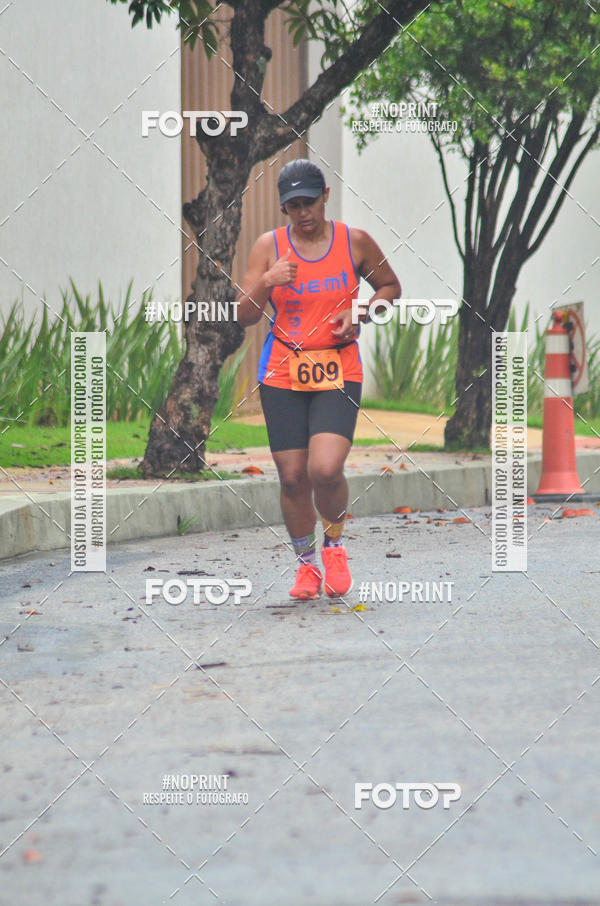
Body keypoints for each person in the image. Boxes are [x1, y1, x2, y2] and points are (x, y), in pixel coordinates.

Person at [236, 159, 400, 599]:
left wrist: (362, 310)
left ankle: (334, 545)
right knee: (292, 478)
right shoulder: (268, 247)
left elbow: (389, 288)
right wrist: (267, 281)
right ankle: (306, 563)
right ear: (284, 208)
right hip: (283, 371)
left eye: (309, 202)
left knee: (324, 469)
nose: (303, 212)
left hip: (337, 367)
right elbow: (245, 314)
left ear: (326, 195)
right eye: (293, 206)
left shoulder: (355, 241)